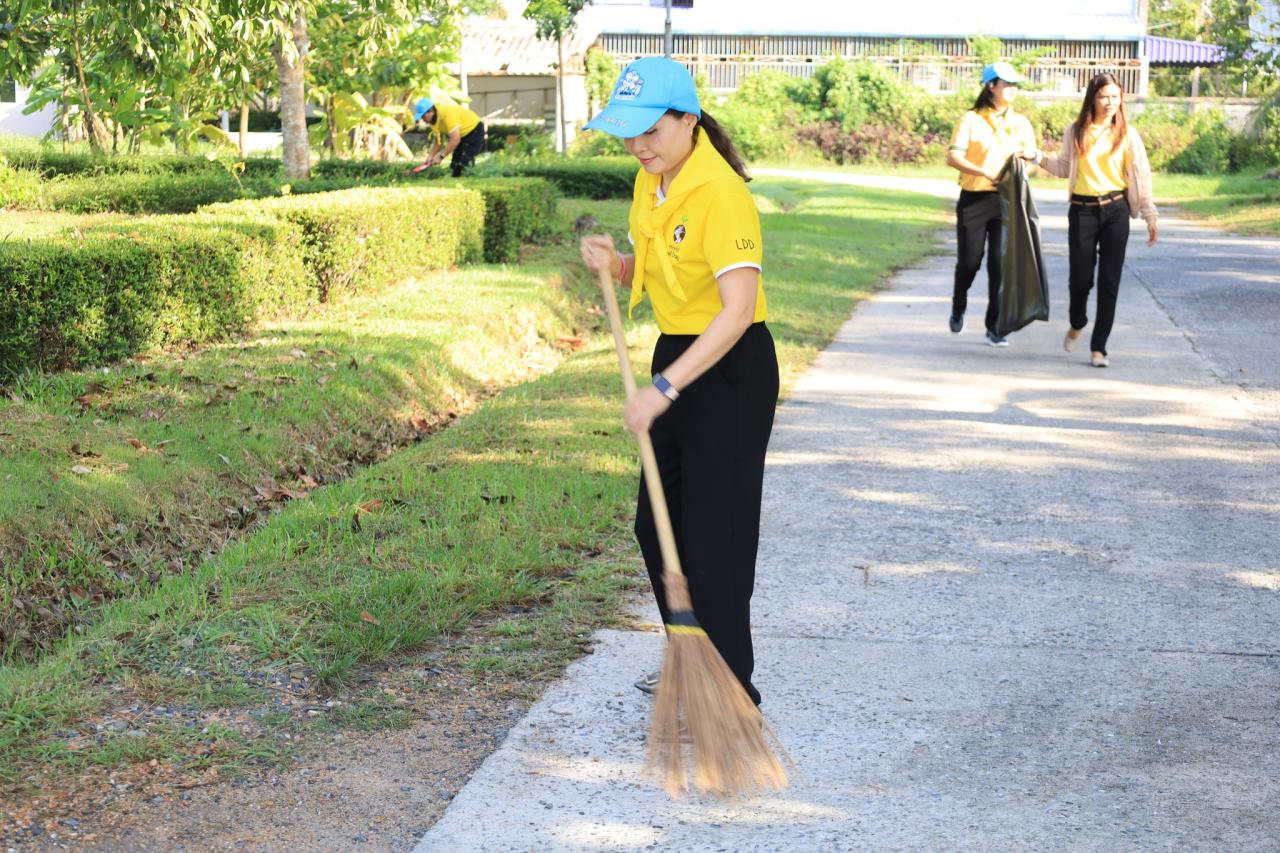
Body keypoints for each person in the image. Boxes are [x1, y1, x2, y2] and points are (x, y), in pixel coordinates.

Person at [578, 57, 777, 706]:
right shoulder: (654, 180)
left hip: (730, 369)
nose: (639, 146)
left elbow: (736, 311)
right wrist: (618, 263)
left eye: (651, 131)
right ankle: (691, 659)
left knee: (716, 535)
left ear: (688, 121)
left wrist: (663, 390)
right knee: (656, 526)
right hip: (678, 354)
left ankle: (730, 689)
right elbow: (665, 264)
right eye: (628, 133)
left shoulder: (721, 193)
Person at [1034, 73, 1158, 368]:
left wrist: (1150, 214)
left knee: (1109, 282)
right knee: (1080, 280)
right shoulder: (1076, 130)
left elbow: (1141, 175)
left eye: (1115, 97)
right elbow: (1064, 167)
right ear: (1092, 98)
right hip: (1082, 211)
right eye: (1104, 96)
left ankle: (1099, 347)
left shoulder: (1128, 134)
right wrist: (1038, 157)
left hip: (1116, 210)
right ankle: (1077, 322)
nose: (1110, 102)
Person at [945, 61, 1040, 346]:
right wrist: (982, 171)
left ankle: (994, 327)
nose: (1012, 89)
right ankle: (959, 303)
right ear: (991, 86)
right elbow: (953, 157)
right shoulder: (970, 119)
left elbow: (1032, 161)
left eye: (1015, 84)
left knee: (1000, 264)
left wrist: (1021, 173)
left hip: (1006, 199)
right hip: (974, 199)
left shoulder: (1021, 123)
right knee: (970, 262)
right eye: (1006, 83)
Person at [409, 97, 485, 178]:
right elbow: (439, 142)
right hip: (462, 135)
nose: (422, 119)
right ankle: (456, 178)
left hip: (475, 130)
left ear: (430, 111)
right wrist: (430, 156)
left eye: (423, 116)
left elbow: (455, 139)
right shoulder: (433, 121)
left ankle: (469, 178)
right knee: (454, 166)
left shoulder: (447, 114)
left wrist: (441, 156)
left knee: (464, 163)